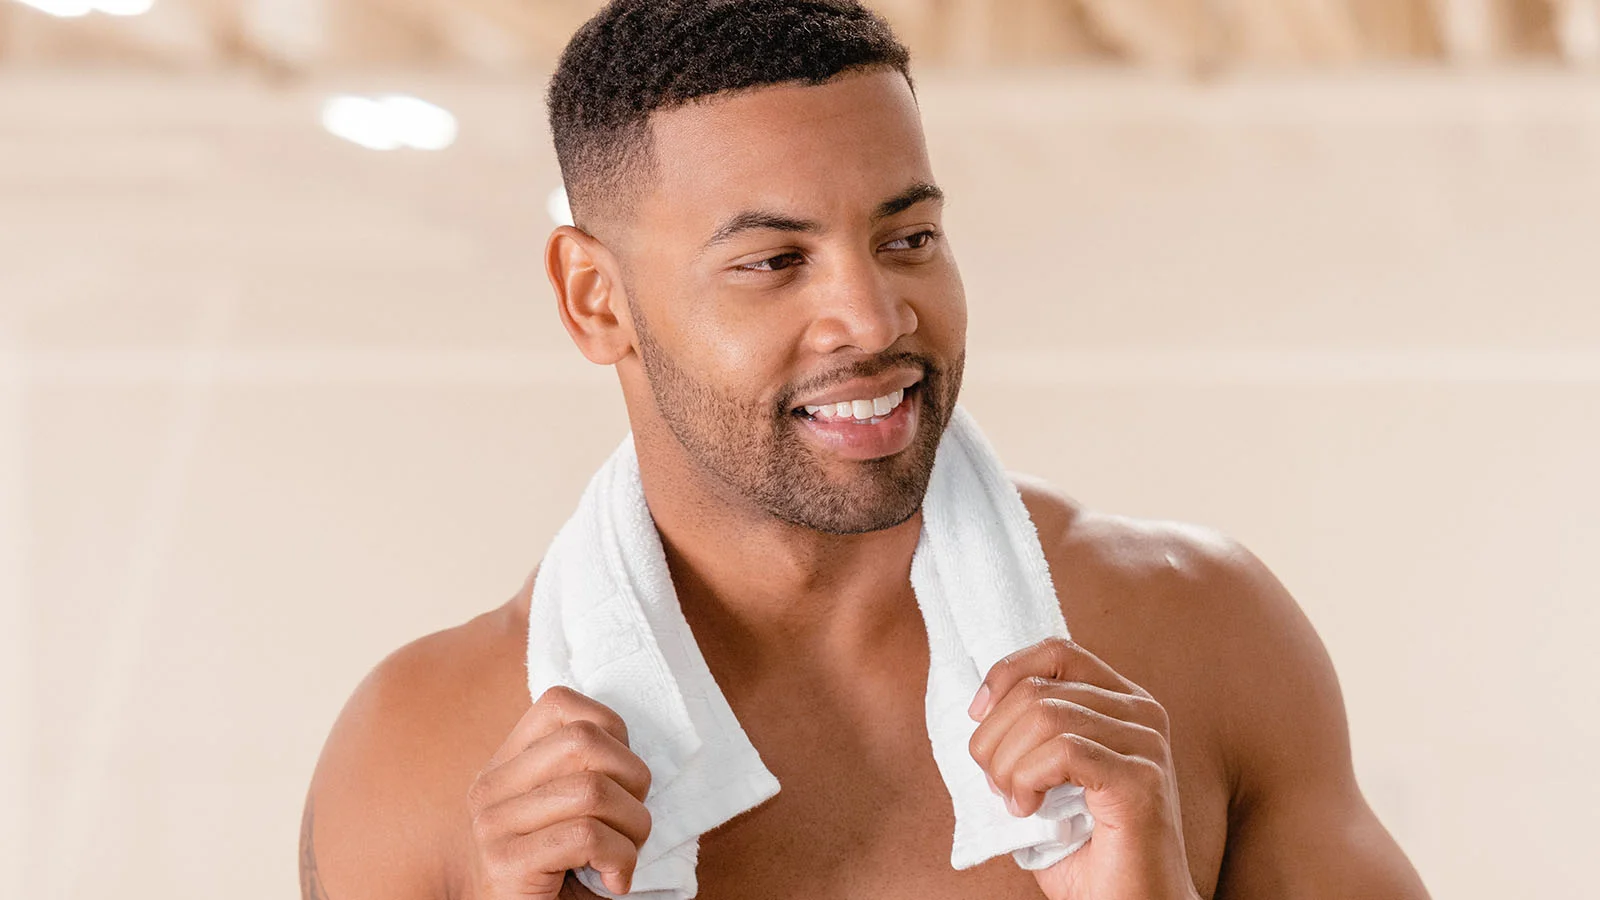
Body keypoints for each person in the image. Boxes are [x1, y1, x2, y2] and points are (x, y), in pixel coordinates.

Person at [300, 2, 1433, 899]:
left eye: (909, 238)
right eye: (773, 262)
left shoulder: (1196, 634)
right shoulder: (420, 752)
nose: (876, 317)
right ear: (596, 300)